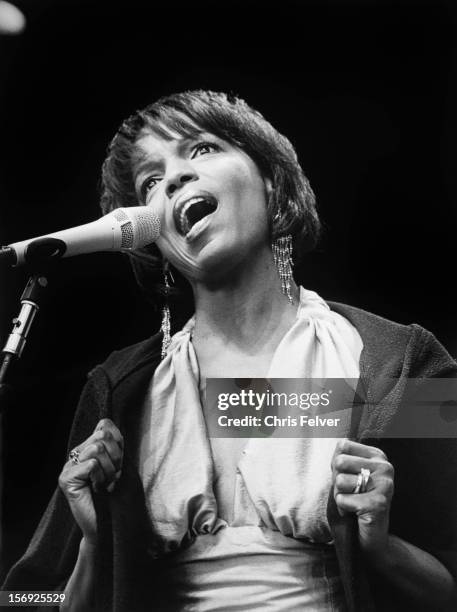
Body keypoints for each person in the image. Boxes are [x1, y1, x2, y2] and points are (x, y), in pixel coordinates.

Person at [2, 90, 457, 611]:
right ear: (149, 237)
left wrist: (381, 547)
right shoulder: (116, 392)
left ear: (270, 179)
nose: (173, 178)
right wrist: (91, 547)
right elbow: (23, 600)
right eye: (150, 181)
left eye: (201, 150)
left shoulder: (400, 360)